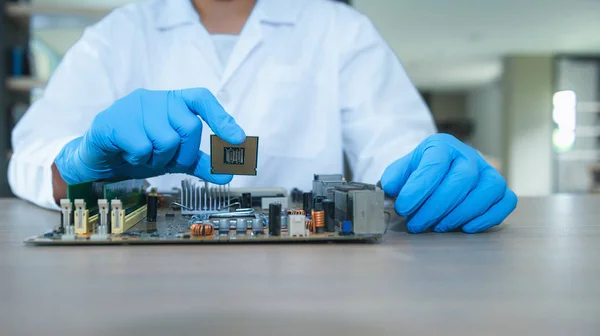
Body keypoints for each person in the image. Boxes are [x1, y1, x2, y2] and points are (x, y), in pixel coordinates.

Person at [8, 0, 517, 234]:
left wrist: (434, 172)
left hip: (310, 284)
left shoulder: (339, 27)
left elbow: (399, 154)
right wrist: (76, 163)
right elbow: (32, 154)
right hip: (132, 280)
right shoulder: (119, 32)